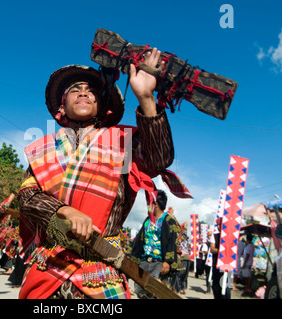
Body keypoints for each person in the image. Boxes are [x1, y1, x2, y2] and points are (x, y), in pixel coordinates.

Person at [18, 49, 192, 299]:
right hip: (50, 269)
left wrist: (145, 98)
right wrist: (62, 210)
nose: (83, 93)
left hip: (101, 272)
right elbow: (26, 196)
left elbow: (159, 158)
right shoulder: (43, 149)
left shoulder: (123, 142)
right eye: (74, 90)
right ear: (61, 106)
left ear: (103, 106)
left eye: (91, 91)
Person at [131, 190, 179, 298]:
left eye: (150, 202)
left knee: (155, 293)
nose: (148, 205)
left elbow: (172, 241)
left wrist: (167, 262)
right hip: (143, 262)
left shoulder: (169, 220)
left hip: (159, 264)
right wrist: (133, 260)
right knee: (140, 291)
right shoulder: (147, 220)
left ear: (155, 204)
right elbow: (139, 241)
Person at [209, 217, 231, 299]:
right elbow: (212, 249)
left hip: (228, 266)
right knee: (216, 287)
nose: (219, 227)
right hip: (216, 265)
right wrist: (223, 250)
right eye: (218, 225)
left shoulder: (230, 237)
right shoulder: (214, 236)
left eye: (221, 225)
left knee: (227, 288)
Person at [175, 221, 191, 295]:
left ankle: (182, 289)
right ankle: (180, 289)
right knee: (181, 274)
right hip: (183, 257)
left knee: (182, 274)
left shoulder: (184, 238)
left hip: (185, 257)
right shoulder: (180, 237)